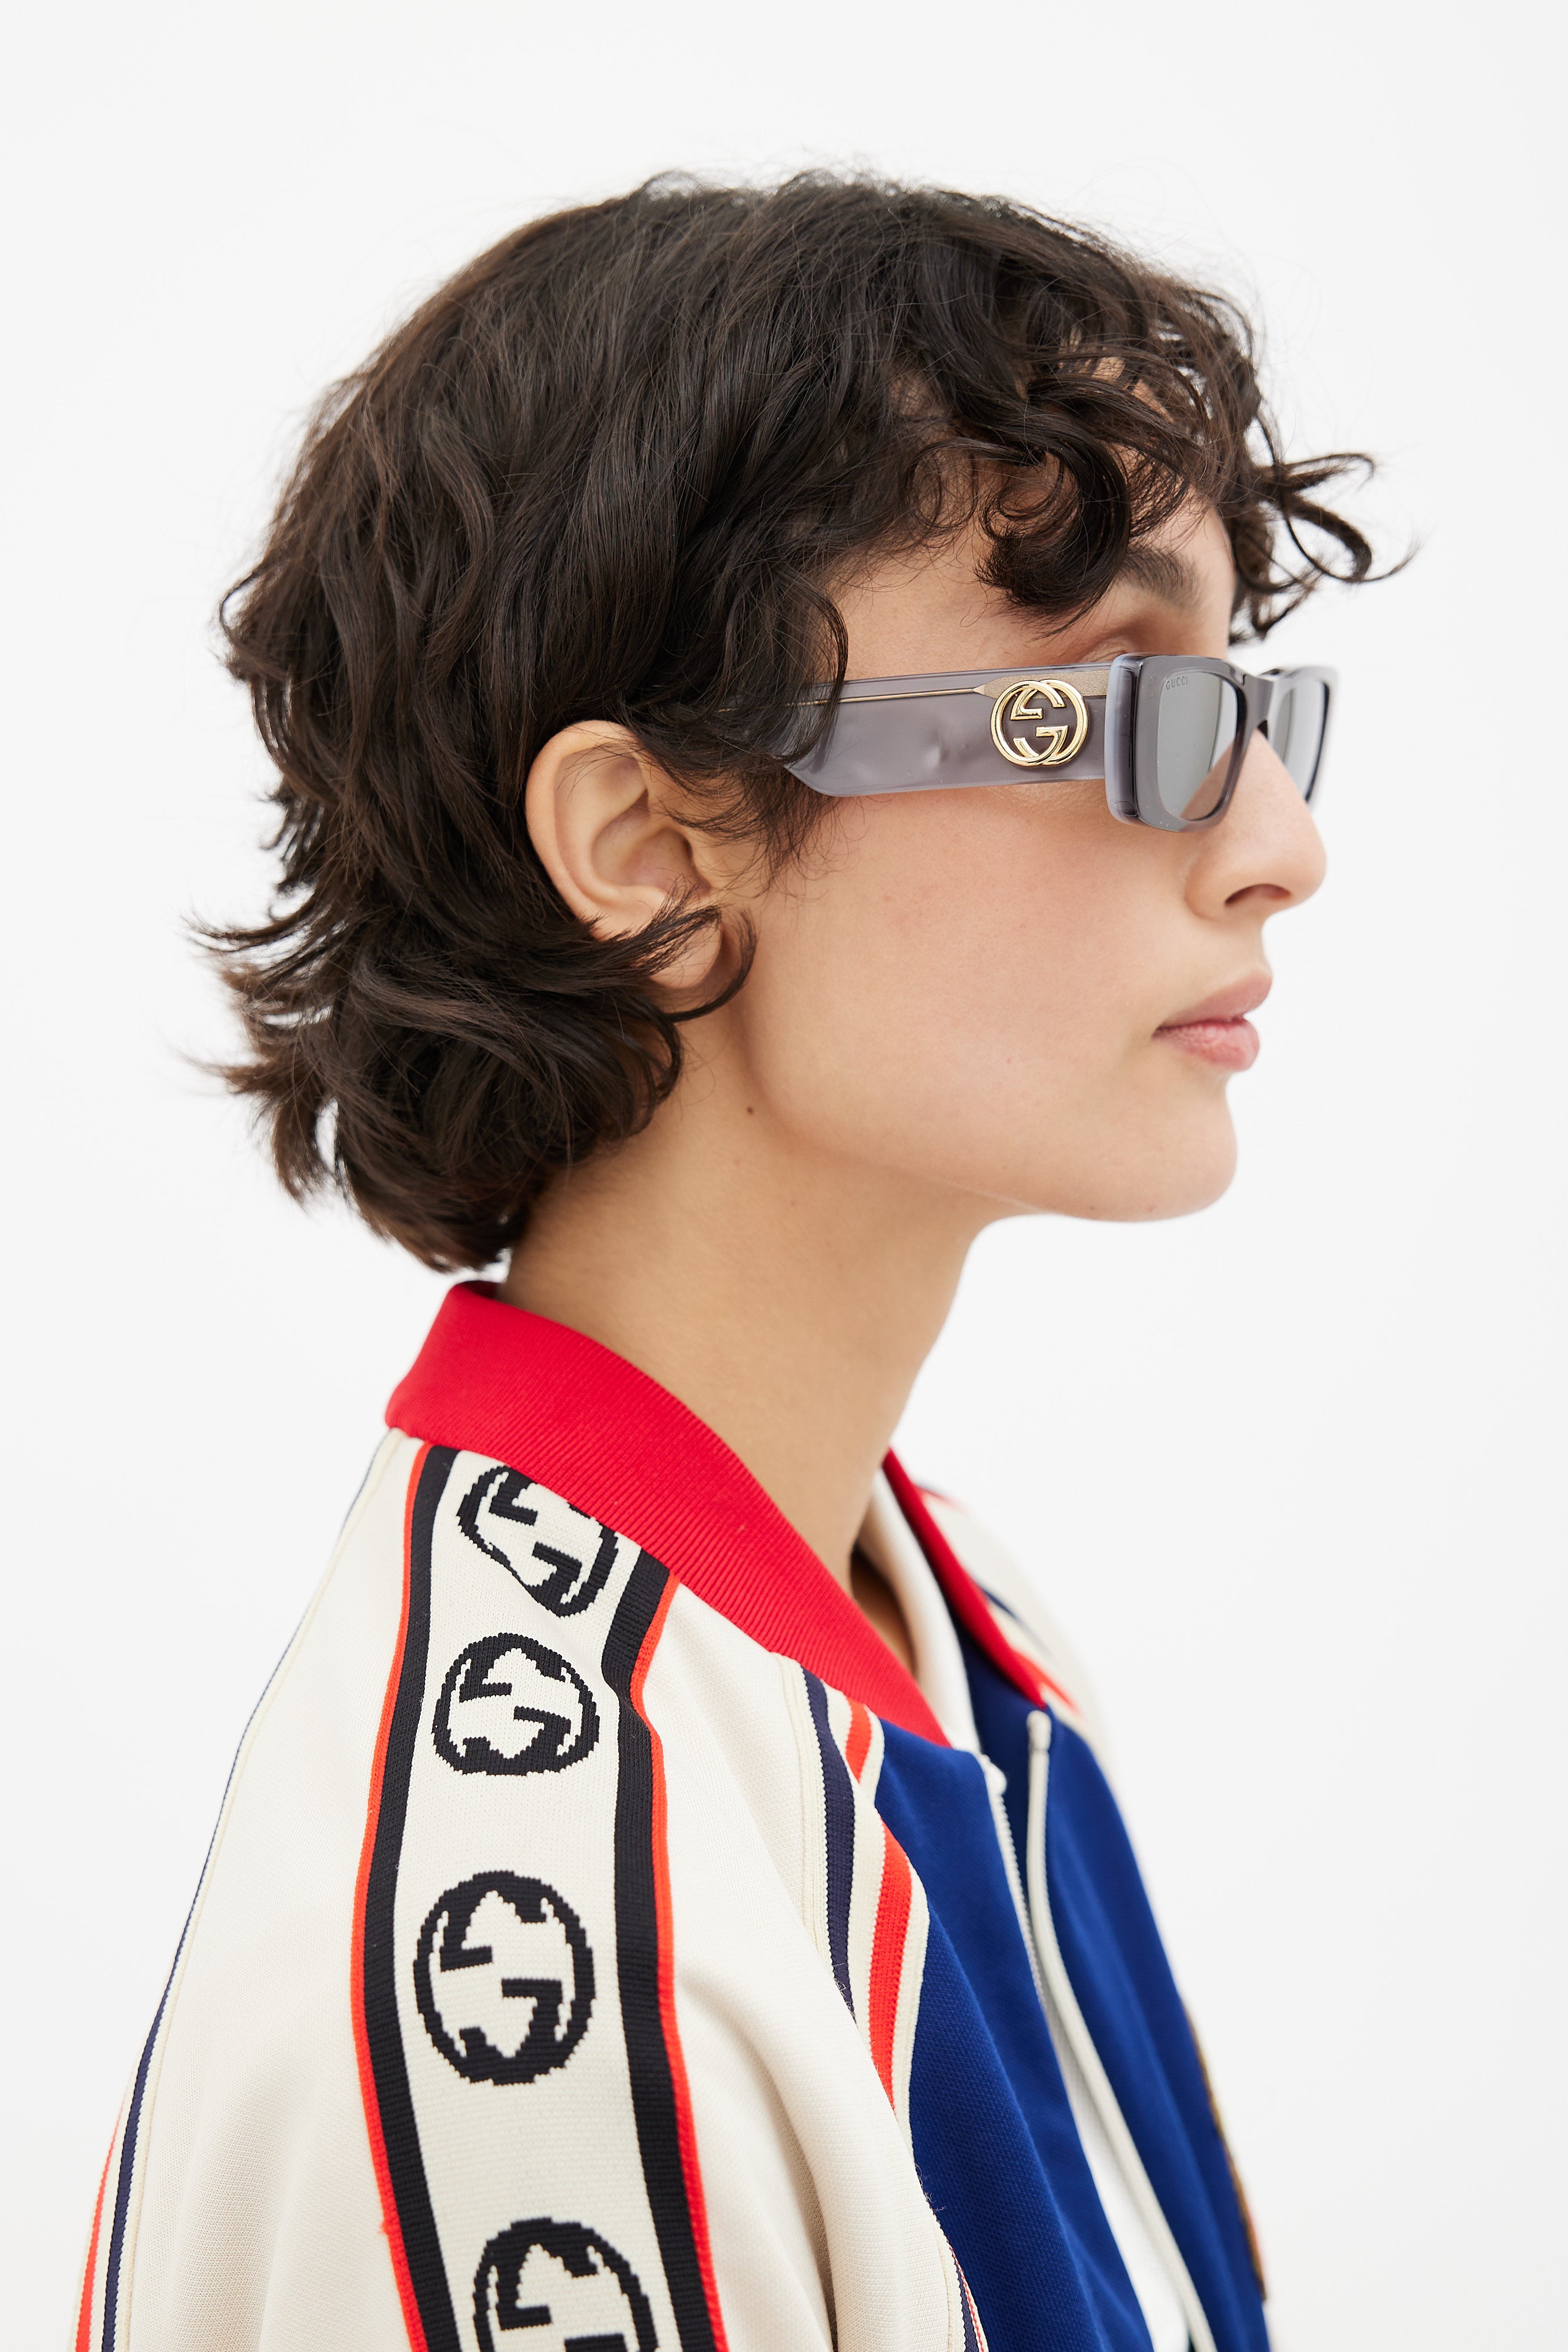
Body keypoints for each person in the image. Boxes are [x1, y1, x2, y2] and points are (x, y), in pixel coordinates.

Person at [75, 175, 1376, 2352]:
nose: (1279, 846)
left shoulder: (946, 1638)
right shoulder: (557, 1965)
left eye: (1246, 702)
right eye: (1118, 707)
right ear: (652, 846)